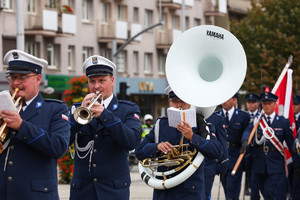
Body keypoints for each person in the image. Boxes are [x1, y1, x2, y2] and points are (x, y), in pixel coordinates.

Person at [0, 50, 71, 200]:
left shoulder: (55, 109)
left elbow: (58, 147)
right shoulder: (3, 108)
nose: (16, 83)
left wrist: (21, 126)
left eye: (22, 78)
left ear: (38, 79)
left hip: (36, 195)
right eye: (12, 78)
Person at [68, 55, 141, 200]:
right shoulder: (75, 109)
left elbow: (132, 141)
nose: (96, 86)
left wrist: (105, 115)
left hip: (113, 191)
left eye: (102, 80)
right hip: (82, 191)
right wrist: (77, 117)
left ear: (112, 81)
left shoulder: (127, 109)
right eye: (92, 81)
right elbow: (62, 142)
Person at [135, 86, 222, 200]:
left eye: (183, 102)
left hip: (191, 191)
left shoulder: (201, 124)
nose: (179, 105)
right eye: (175, 102)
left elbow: (216, 151)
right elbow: (139, 151)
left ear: (190, 103)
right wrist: (157, 147)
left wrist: (192, 137)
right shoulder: (161, 124)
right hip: (164, 192)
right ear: (169, 102)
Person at [244, 92, 294, 200]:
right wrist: (244, 140)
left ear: (275, 104)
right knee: (265, 192)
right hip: (259, 164)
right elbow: (248, 131)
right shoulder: (256, 121)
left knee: (272, 193)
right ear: (261, 104)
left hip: (275, 164)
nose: (267, 105)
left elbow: (291, 144)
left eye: (269, 103)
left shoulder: (283, 122)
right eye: (264, 103)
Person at [218, 93, 250, 200]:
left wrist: (245, 140)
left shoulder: (244, 116)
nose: (225, 101)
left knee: (233, 188)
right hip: (221, 157)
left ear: (234, 100)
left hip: (236, 156)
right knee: (226, 187)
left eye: (227, 99)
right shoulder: (217, 116)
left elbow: (248, 130)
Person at [204, 112, 229, 200]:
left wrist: (224, 161)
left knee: (205, 195)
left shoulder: (216, 118)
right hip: (189, 164)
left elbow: (222, 141)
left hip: (207, 164)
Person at [244, 92, 261, 196]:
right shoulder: (244, 116)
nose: (250, 104)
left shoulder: (261, 116)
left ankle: (254, 188)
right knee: (247, 169)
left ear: (257, 104)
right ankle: (246, 186)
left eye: (253, 102)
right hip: (245, 148)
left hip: (257, 149)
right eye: (249, 102)